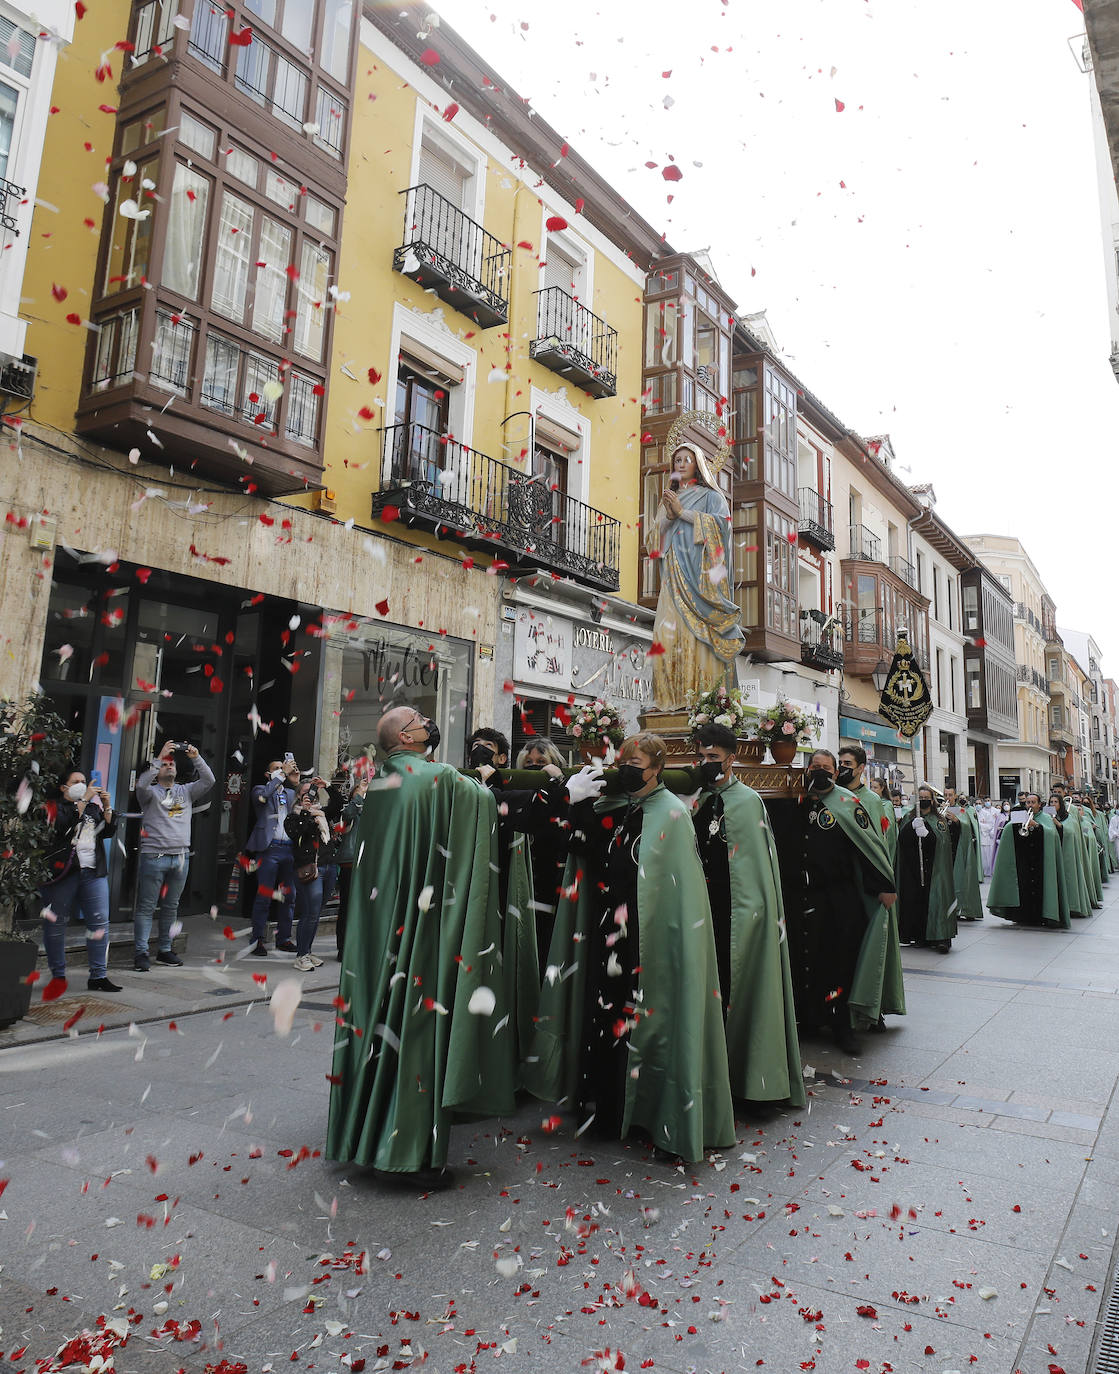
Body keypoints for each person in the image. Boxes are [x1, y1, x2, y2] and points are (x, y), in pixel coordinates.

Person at [326, 706, 515, 1190]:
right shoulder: (433, 777)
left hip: (380, 929)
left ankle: (364, 1137)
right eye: (421, 719)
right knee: (415, 1026)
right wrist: (484, 776)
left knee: (377, 1022)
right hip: (420, 929)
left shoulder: (386, 780)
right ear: (406, 736)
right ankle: (407, 1152)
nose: (430, 722)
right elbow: (479, 802)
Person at [529, 732, 735, 1162]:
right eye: (624, 761)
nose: (627, 769)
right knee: (607, 1021)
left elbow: (678, 890)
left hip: (650, 940)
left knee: (646, 1024)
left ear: (657, 769)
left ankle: (649, 1113)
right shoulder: (620, 807)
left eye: (636, 763)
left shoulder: (674, 815)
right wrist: (575, 799)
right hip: (611, 933)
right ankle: (609, 1110)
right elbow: (584, 842)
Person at [691, 723, 805, 1107]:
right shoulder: (696, 798)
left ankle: (743, 1077)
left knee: (736, 990)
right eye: (702, 757)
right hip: (700, 911)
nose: (707, 764)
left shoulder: (748, 801)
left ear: (731, 758)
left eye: (714, 758)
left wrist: (755, 912)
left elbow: (758, 869)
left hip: (736, 913)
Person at [769, 749, 900, 1054]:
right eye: (815, 766)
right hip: (799, 897)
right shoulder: (793, 801)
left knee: (838, 962)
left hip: (837, 898)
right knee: (804, 960)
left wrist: (883, 884)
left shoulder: (847, 804)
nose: (821, 772)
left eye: (827, 768)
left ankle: (842, 1026)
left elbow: (868, 847)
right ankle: (809, 1019)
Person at [467, 725, 569, 1074]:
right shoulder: (502, 789)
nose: (536, 767)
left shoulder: (551, 795)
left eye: (543, 763)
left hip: (544, 886)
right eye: (531, 762)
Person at [646, 443, 744, 709]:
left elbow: (721, 527)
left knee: (696, 639)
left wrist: (682, 513)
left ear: (698, 465)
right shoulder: (668, 499)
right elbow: (654, 544)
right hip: (673, 577)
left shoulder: (712, 497)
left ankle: (702, 701)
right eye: (677, 459)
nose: (681, 463)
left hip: (699, 581)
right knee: (666, 636)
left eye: (687, 459)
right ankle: (667, 700)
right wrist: (668, 515)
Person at [132, 739, 215, 971]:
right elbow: (140, 786)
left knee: (171, 906)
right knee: (147, 907)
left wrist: (196, 757)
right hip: (154, 856)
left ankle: (165, 949)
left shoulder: (186, 791)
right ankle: (141, 952)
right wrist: (159, 758)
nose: (169, 766)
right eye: (165, 765)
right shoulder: (149, 793)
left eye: (172, 764)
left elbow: (209, 780)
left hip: (180, 857)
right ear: (158, 770)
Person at [39, 767, 121, 993]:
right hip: (63, 872)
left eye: (84, 781)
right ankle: (58, 975)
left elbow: (108, 831)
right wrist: (82, 801)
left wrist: (106, 806)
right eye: (76, 781)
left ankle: (98, 976)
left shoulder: (92, 808)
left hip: (92, 872)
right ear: (64, 787)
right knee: (56, 925)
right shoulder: (54, 807)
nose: (82, 784)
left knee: (99, 923)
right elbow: (61, 827)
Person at [987, 794, 1069, 928]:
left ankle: (1041, 916)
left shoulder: (1046, 818)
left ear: (1039, 805)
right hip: (1023, 859)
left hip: (1040, 861)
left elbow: (1053, 834)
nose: (1030, 805)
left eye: (1033, 802)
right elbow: (1008, 830)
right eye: (1028, 803)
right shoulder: (1019, 816)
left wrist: (1036, 826)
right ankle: (1021, 915)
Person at [246, 756, 301, 956]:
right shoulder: (260, 790)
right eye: (277, 768)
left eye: (283, 767)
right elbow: (265, 795)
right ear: (268, 774)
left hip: (288, 848)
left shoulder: (289, 792)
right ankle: (257, 939)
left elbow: (305, 804)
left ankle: (284, 938)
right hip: (269, 849)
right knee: (264, 895)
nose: (282, 770)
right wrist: (281, 775)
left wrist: (296, 782)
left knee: (289, 896)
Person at [895, 786, 958, 952]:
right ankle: (919, 936)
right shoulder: (909, 816)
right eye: (920, 797)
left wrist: (927, 834)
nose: (923, 800)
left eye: (926, 797)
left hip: (933, 869)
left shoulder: (938, 820)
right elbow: (901, 839)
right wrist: (911, 828)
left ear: (932, 800)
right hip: (913, 868)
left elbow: (942, 843)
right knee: (915, 902)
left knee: (936, 901)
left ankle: (940, 937)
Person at [285, 779, 332, 971]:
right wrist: (305, 811)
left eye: (312, 792)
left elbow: (337, 804)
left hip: (327, 866)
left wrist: (327, 786)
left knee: (316, 912)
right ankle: (301, 955)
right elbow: (298, 833)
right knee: (309, 913)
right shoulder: (293, 817)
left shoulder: (322, 813)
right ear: (298, 796)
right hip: (309, 869)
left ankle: (308, 950)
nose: (309, 796)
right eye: (305, 793)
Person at [331, 763, 369, 959]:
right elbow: (348, 815)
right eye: (360, 791)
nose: (364, 792)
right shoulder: (350, 809)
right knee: (347, 906)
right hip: (351, 861)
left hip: (368, 864)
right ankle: (343, 948)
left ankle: (358, 946)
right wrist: (359, 796)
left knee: (363, 907)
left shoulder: (372, 811)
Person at [944, 787, 983, 922]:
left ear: (955, 796)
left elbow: (967, 826)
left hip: (958, 847)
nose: (948, 797)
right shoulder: (939, 810)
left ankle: (962, 907)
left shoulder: (961, 810)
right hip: (945, 849)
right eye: (945, 795)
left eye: (950, 795)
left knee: (960, 878)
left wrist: (956, 821)